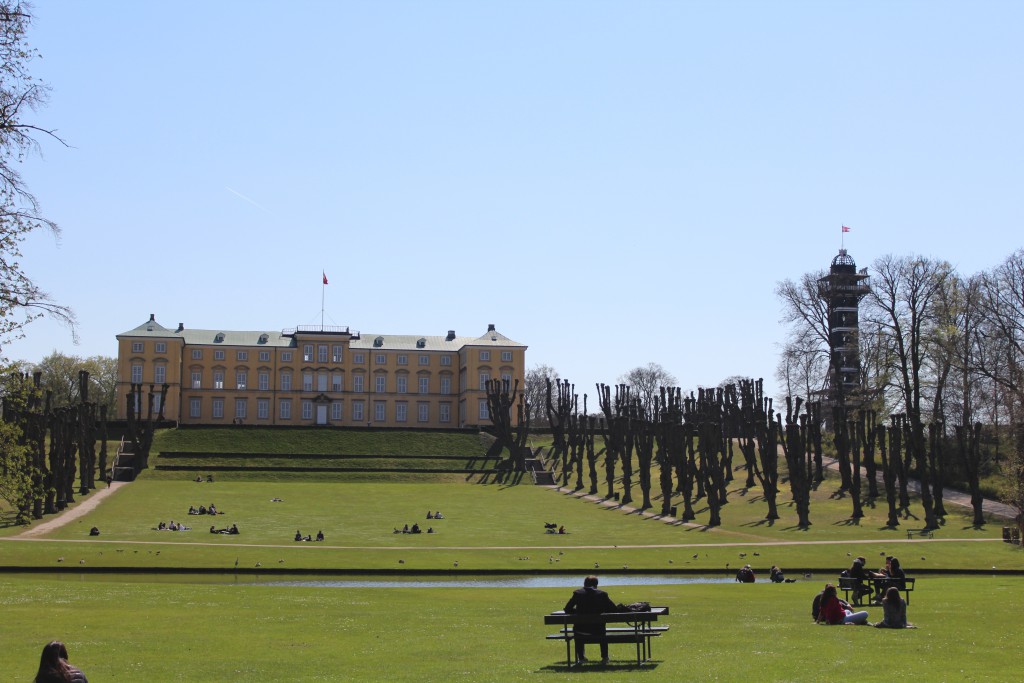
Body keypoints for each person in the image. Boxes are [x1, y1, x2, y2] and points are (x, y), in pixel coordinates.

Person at [563, 575, 617, 665]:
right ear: (597, 584)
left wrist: (578, 612)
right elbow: (614, 609)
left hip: (580, 630)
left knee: (578, 631)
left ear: (584, 584)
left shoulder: (577, 593)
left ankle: (581, 658)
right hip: (598, 630)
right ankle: (605, 657)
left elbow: (567, 609)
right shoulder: (602, 594)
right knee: (601, 632)